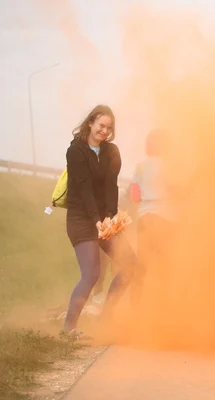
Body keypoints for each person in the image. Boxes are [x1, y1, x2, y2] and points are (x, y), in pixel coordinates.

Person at [63, 105, 138, 337]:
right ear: (90, 123)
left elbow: (110, 186)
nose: (104, 131)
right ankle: (69, 329)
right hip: (81, 218)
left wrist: (111, 217)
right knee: (92, 274)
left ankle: (106, 317)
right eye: (101, 125)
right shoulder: (75, 151)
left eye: (109, 128)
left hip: (104, 219)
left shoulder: (111, 151)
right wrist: (96, 220)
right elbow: (84, 189)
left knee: (130, 264)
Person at [130, 129, 176, 306]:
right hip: (166, 218)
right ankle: (164, 304)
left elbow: (135, 195)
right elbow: (176, 191)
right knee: (167, 264)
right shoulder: (170, 165)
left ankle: (136, 304)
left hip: (145, 217)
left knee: (142, 265)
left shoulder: (140, 166)